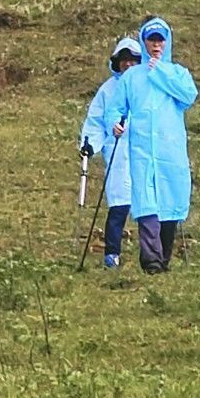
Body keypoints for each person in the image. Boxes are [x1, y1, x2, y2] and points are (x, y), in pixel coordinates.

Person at [111, 17, 197, 273]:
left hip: (170, 151)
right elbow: (116, 106)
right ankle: (152, 260)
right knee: (146, 204)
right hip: (142, 151)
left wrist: (159, 70)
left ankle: (164, 257)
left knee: (169, 204)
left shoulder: (177, 73)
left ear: (167, 41)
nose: (156, 44)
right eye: (152, 39)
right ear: (144, 42)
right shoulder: (131, 77)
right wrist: (116, 121)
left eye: (161, 39)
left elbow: (188, 96)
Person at [79, 36, 141, 267]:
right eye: (124, 60)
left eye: (133, 60)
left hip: (145, 149)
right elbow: (95, 121)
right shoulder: (108, 90)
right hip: (118, 151)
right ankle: (112, 252)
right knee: (119, 202)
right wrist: (89, 145)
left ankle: (153, 253)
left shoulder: (149, 86)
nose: (128, 64)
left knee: (149, 203)